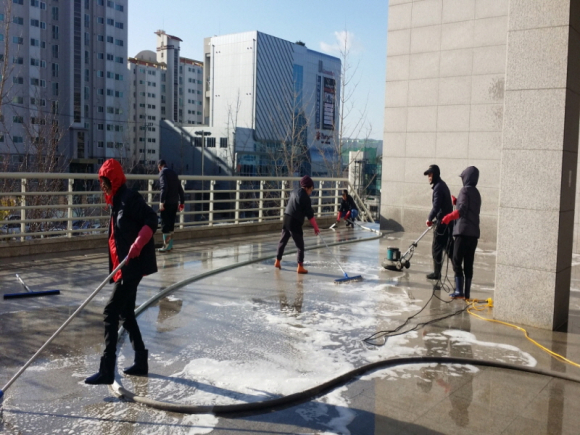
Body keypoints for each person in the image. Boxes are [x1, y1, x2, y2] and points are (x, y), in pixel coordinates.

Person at [85, 159, 158, 385]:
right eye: (101, 182)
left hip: (132, 267)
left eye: (104, 181)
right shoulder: (115, 202)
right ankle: (141, 360)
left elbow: (152, 219)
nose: (102, 186)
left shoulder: (130, 199)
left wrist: (138, 244)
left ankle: (107, 369)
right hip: (124, 267)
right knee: (126, 313)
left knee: (110, 311)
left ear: (113, 180)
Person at [441, 166, 481, 299]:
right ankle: (467, 293)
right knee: (468, 263)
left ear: (466, 177)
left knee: (456, 260)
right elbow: (469, 209)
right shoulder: (476, 193)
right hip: (474, 234)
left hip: (462, 232)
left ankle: (459, 291)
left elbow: (462, 210)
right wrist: (457, 202)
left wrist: (449, 217)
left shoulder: (464, 190)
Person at [274, 175, 321, 274]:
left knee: (283, 241)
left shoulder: (294, 192)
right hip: (295, 222)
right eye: (311, 189)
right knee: (300, 246)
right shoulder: (305, 198)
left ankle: (277, 261)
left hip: (286, 218)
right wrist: (316, 228)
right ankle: (300, 266)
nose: (311, 192)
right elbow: (310, 215)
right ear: (307, 188)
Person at [424, 164, 453, 280]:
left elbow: (436, 207)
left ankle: (437, 274)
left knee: (437, 248)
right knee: (449, 248)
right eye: (428, 175)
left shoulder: (438, 188)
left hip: (443, 224)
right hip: (447, 222)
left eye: (430, 174)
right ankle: (459, 273)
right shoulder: (441, 185)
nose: (429, 177)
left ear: (435, 174)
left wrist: (429, 219)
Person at [157, 159, 185, 252]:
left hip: (167, 203)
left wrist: (161, 202)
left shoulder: (162, 173)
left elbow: (164, 187)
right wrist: (182, 202)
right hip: (174, 203)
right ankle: (170, 246)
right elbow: (180, 189)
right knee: (171, 224)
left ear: (159, 167)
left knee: (165, 224)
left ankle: (166, 246)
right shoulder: (173, 172)